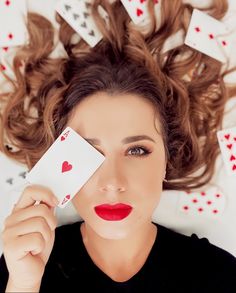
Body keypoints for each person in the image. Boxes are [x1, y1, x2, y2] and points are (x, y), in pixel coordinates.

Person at [0, 0, 236, 292]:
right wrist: (24, 283)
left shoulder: (221, 275)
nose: (112, 183)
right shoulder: (19, 266)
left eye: (137, 150)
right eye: (89, 152)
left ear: (167, 159)